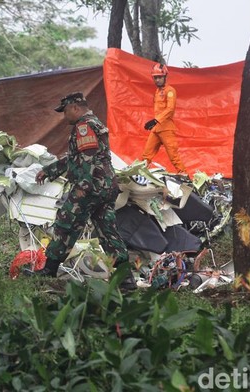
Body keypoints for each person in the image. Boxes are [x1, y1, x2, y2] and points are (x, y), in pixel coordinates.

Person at [32, 92, 135, 290]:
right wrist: (50, 170)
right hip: (106, 186)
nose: (64, 116)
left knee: (65, 223)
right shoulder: (95, 123)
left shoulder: (83, 126)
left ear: (75, 108)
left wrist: (82, 189)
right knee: (108, 232)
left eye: (65, 111)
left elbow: (87, 160)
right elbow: (76, 157)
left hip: (91, 187)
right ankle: (126, 280)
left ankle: (49, 269)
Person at [140, 63, 187, 175]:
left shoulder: (170, 91)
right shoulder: (157, 92)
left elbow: (170, 109)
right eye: (155, 77)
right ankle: (139, 177)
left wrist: (155, 120)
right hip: (156, 129)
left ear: (165, 76)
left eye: (160, 77)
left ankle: (186, 179)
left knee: (174, 157)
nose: (157, 80)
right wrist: (154, 123)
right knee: (146, 156)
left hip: (166, 129)